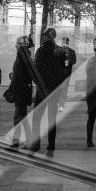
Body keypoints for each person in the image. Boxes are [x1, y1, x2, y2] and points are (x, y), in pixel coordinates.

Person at [30, 28, 67, 156]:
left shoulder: (40, 51)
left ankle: (35, 144)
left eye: (44, 35)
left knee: (36, 118)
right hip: (54, 90)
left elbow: (35, 70)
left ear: (47, 37)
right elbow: (64, 70)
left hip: (42, 89)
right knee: (52, 119)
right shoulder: (60, 52)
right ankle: (51, 146)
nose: (42, 38)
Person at [7, 36, 34, 149]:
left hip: (21, 91)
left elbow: (25, 75)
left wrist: (15, 79)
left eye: (17, 44)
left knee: (19, 117)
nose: (15, 46)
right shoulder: (24, 56)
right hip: (22, 90)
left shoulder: (23, 57)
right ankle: (28, 141)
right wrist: (14, 76)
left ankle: (16, 142)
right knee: (21, 118)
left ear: (22, 45)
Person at [58, 36, 77, 112]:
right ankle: (59, 104)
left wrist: (69, 61)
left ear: (68, 43)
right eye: (63, 42)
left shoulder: (72, 51)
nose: (64, 43)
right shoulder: (58, 50)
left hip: (67, 74)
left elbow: (74, 61)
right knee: (58, 89)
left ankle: (61, 105)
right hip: (58, 74)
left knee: (64, 89)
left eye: (65, 42)